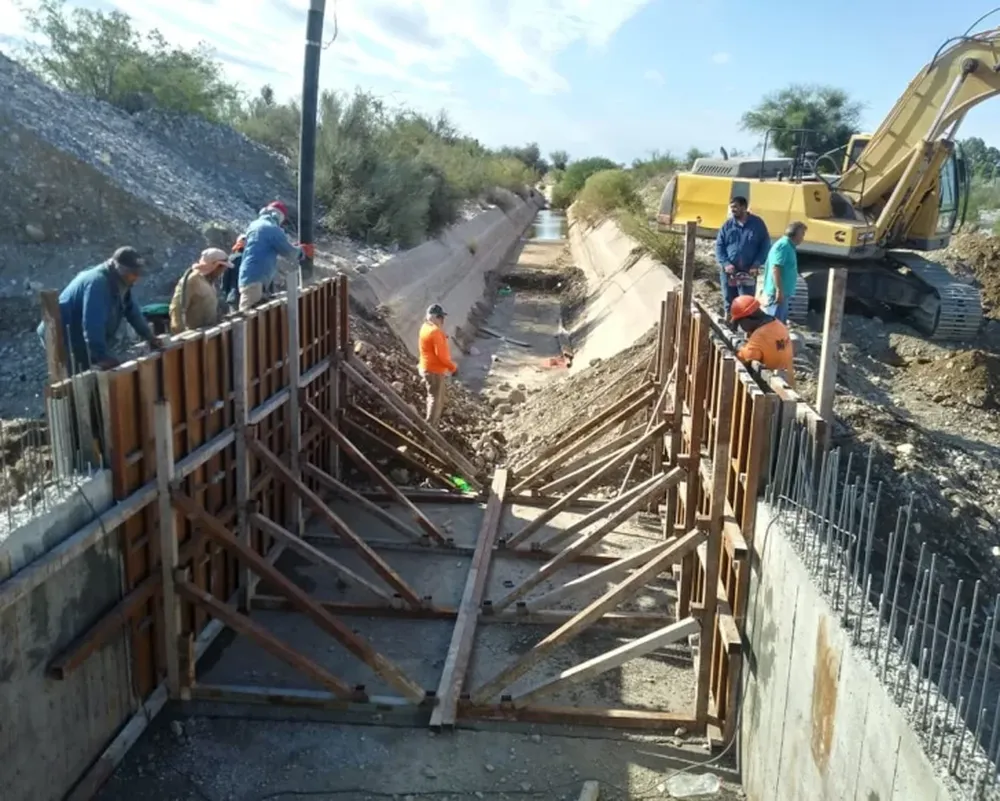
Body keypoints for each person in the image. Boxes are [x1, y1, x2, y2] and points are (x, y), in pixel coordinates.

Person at [37, 246, 161, 373]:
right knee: (78, 375)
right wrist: (102, 356)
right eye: (133, 274)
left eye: (138, 274)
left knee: (90, 365)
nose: (137, 278)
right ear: (121, 269)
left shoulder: (122, 281)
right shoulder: (98, 283)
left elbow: (132, 311)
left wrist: (150, 337)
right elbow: (92, 324)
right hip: (60, 334)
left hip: (78, 332)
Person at [237, 201, 305, 311]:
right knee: (249, 319)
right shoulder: (271, 228)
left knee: (254, 316)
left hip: (250, 276)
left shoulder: (254, 225)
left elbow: (267, 245)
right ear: (278, 216)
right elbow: (289, 252)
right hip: (256, 279)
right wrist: (302, 251)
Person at [715, 196, 770, 318]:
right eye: (731, 207)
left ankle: (746, 331)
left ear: (744, 208)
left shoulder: (757, 224)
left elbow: (765, 245)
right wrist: (725, 263)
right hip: (730, 272)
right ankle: (730, 326)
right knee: (729, 300)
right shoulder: (727, 225)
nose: (732, 210)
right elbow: (719, 246)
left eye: (735, 207)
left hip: (748, 271)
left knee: (746, 302)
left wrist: (756, 264)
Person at [728, 295, 796, 388]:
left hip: (772, 390)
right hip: (788, 383)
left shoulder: (760, 336)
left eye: (740, 323)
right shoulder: (777, 324)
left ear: (747, 319)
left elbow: (744, 359)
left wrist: (739, 349)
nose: (741, 328)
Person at [168, 248, 230, 333]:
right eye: (222, 268)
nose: (222, 272)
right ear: (215, 266)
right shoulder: (191, 280)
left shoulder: (209, 281)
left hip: (208, 334)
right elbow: (176, 309)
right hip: (195, 337)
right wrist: (181, 336)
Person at [418, 304, 458, 427]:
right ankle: (430, 427)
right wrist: (453, 367)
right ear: (434, 317)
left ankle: (430, 425)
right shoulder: (435, 332)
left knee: (432, 396)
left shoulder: (425, 327)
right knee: (436, 399)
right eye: (440, 317)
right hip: (434, 370)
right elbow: (441, 356)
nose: (442, 320)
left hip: (427, 367)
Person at [761, 221, 808, 323]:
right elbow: (776, 268)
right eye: (802, 234)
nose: (803, 238)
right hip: (776, 294)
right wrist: (779, 290)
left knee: (779, 324)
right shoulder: (783, 246)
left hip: (783, 293)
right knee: (773, 324)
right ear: (795, 234)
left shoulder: (789, 247)